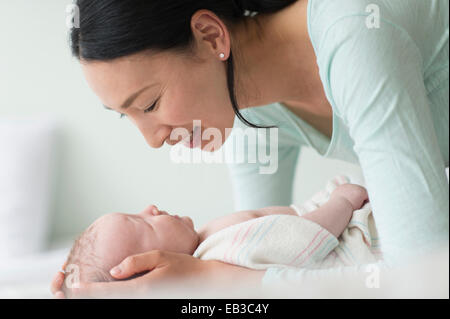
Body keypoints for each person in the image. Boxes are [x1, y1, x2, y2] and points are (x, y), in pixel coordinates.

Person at [52, 0, 449, 298]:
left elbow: (424, 280)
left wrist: (206, 281)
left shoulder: (355, 36)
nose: (152, 139)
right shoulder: (246, 110)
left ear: (210, 35)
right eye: (127, 115)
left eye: (150, 105)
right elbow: (254, 260)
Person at [61, 183, 368, 298]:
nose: (150, 209)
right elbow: (306, 240)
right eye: (144, 224)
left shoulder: (208, 245)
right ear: (157, 272)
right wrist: (340, 202)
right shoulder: (225, 252)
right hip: (354, 237)